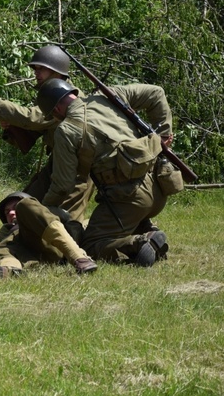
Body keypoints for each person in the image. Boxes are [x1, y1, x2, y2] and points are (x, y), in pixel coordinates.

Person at [35, 78, 175, 266]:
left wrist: (42, 210)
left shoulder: (66, 130)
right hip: (160, 185)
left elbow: (63, 186)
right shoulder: (109, 96)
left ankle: (141, 241)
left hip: (129, 199)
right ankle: (142, 226)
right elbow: (156, 92)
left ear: (57, 110)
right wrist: (163, 135)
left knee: (90, 244)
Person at [0, 45, 93, 223]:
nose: (36, 73)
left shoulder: (69, 97)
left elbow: (34, 118)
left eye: (41, 69)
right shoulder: (52, 93)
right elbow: (37, 126)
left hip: (77, 168)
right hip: (57, 162)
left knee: (67, 221)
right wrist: (11, 124)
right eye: (35, 69)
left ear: (57, 72)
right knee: (23, 205)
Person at [0, 191, 97, 278]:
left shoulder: (41, 214)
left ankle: (80, 258)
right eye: (7, 212)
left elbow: (79, 223)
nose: (11, 212)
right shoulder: (5, 232)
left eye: (14, 208)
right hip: (28, 255)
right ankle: (10, 272)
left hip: (50, 243)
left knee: (25, 205)